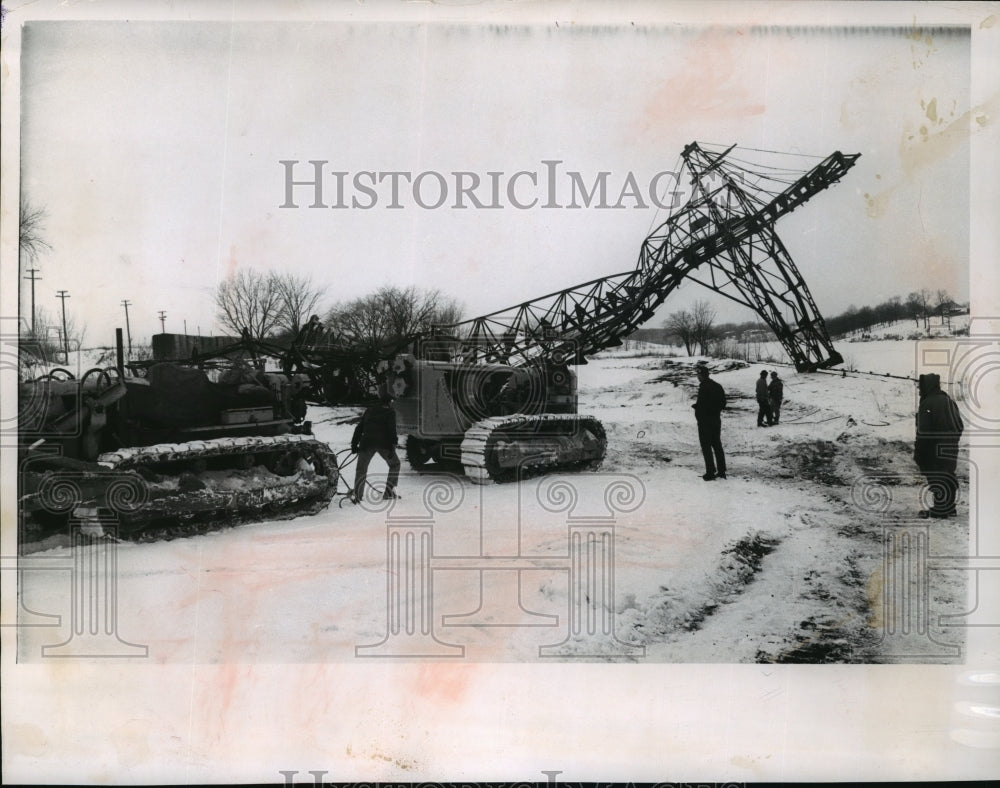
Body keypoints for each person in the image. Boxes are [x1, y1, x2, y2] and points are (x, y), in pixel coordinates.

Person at [914, 373, 963, 518]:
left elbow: (923, 432)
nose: (919, 390)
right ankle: (949, 508)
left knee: (936, 475)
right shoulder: (949, 401)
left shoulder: (927, 403)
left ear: (926, 386)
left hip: (933, 448)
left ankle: (940, 510)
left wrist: (920, 452)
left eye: (920, 387)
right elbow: (960, 426)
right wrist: (952, 440)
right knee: (948, 474)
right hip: (950, 447)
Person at [351, 391, 402, 503]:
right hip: (383, 444)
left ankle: (357, 495)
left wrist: (354, 445)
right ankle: (388, 493)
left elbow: (359, 428)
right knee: (395, 464)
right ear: (389, 402)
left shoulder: (370, 410)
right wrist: (393, 446)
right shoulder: (390, 412)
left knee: (361, 469)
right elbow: (391, 430)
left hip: (366, 443)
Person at [693, 364, 727, 481]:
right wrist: (714, 411)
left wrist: (698, 412)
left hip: (705, 422)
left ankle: (710, 472)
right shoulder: (717, 386)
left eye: (698, 375)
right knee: (717, 445)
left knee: (706, 446)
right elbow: (723, 403)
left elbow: (702, 406)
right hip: (716, 420)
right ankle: (722, 471)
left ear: (702, 375)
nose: (697, 377)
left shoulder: (703, 387)